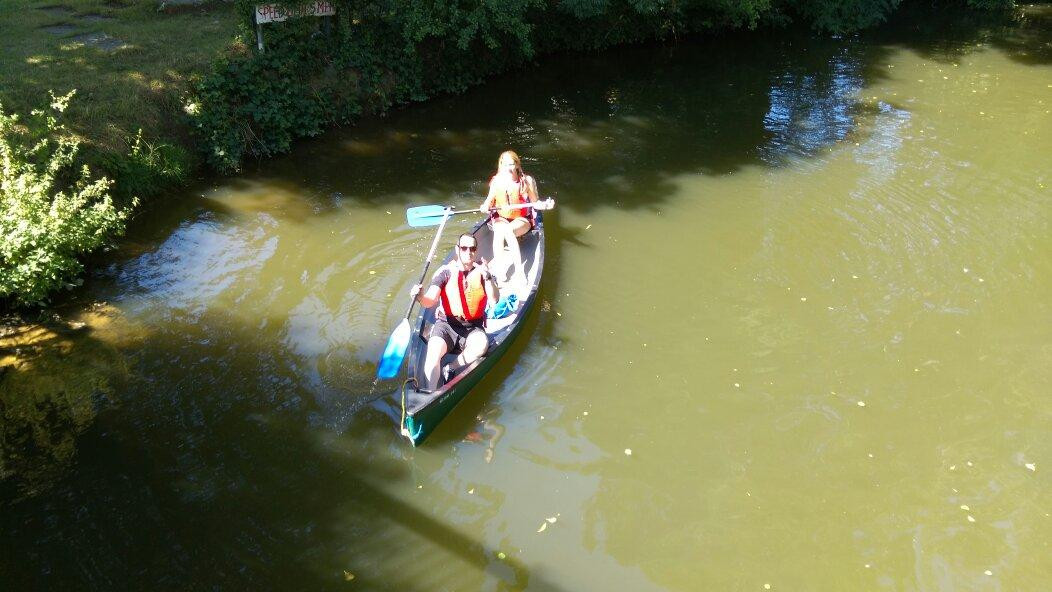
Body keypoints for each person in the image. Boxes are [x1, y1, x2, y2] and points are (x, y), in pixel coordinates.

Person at [409, 233, 499, 392]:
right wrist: (420, 297)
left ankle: (451, 367)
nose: (468, 252)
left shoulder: (483, 272)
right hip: (446, 325)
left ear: (476, 250)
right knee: (433, 351)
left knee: (482, 345)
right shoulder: (445, 272)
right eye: (464, 248)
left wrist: (488, 277)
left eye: (472, 248)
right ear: (457, 249)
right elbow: (430, 300)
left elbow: (494, 300)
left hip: (472, 328)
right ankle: (431, 394)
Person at [478, 151, 552, 286]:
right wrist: (485, 206)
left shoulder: (526, 181)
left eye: (511, 164)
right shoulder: (496, 182)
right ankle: (500, 270)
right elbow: (488, 202)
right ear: (501, 165)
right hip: (502, 218)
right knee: (499, 231)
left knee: (508, 230)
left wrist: (545, 205)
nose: (508, 168)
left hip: (521, 220)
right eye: (505, 165)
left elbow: (535, 203)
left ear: (517, 165)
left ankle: (519, 272)